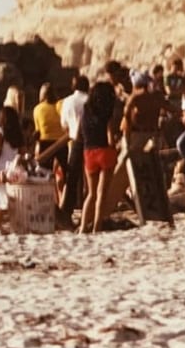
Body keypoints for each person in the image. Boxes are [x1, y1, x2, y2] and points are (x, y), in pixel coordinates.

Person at [79, 81, 121, 233]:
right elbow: (110, 139)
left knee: (91, 193)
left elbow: (79, 134)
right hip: (105, 152)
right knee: (101, 194)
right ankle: (97, 226)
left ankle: (83, 226)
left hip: (89, 153)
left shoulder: (85, 112)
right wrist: (116, 143)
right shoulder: (107, 115)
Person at [59, 75, 90, 226]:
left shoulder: (67, 101)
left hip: (74, 142)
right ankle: (87, 211)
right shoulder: (89, 100)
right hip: (90, 140)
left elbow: (63, 124)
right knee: (89, 180)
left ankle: (67, 211)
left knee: (72, 179)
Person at [0, 106, 26, 234]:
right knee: (14, 195)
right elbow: (23, 151)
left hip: (1, 166)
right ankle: (13, 223)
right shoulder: (18, 133)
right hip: (15, 167)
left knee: (0, 194)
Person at [33, 83, 68, 186]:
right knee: (66, 173)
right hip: (61, 142)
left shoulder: (37, 109)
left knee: (43, 173)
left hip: (45, 144)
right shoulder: (60, 106)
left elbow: (38, 131)